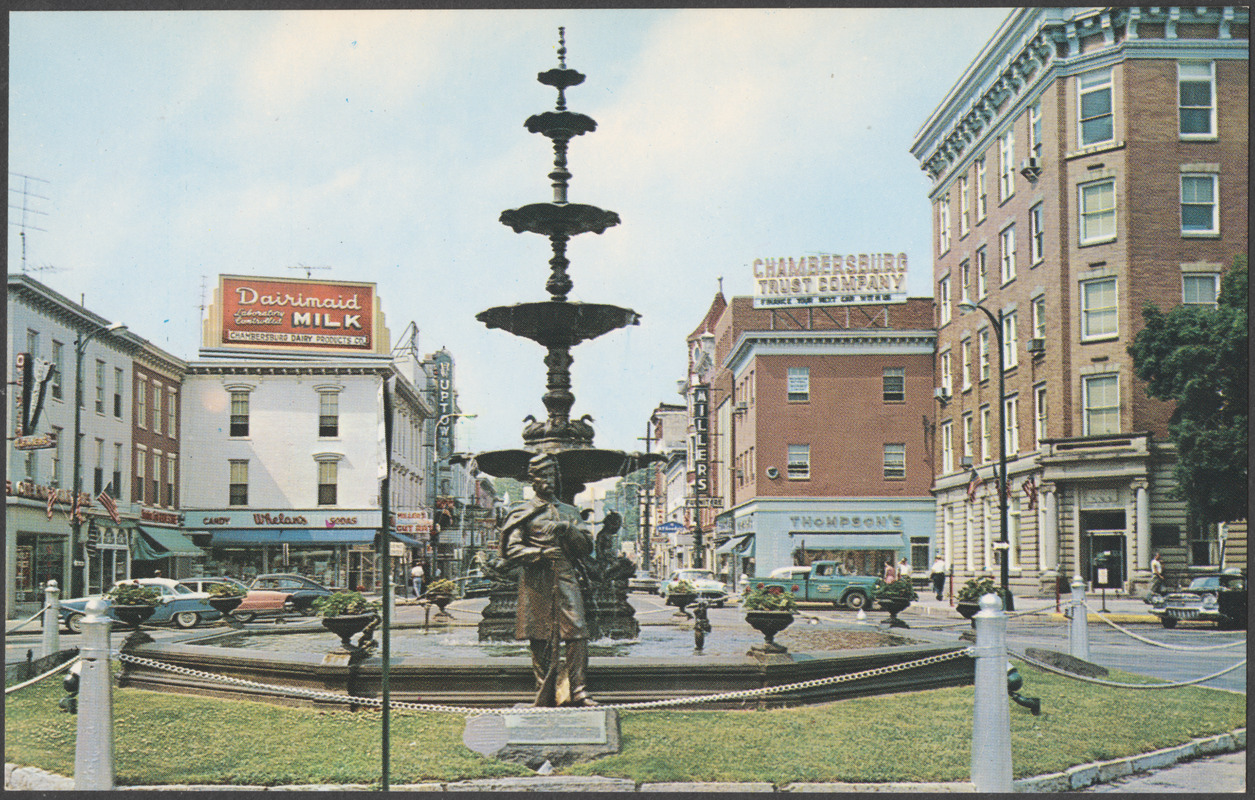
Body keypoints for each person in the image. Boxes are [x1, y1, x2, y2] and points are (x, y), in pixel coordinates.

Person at [499, 453, 596, 707]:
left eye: (552, 476)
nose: (549, 481)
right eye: (543, 476)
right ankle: (544, 690)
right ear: (533, 480)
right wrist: (539, 553)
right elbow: (511, 550)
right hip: (535, 578)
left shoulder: (569, 512)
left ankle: (579, 690)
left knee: (577, 630)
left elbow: (586, 546)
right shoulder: (523, 512)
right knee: (538, 633)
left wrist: (569, 528)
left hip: (564, 575)